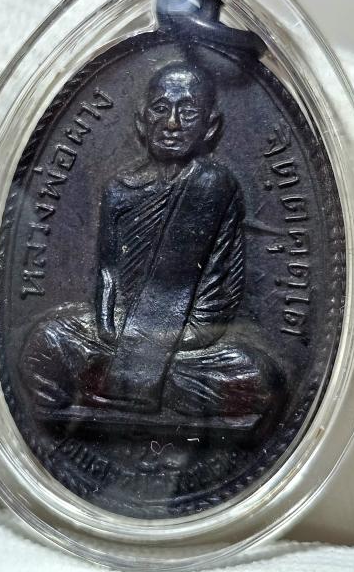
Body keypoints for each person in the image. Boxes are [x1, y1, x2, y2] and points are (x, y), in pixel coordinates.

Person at [20, 61, 284, 422]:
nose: (172, 123)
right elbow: (108, 274)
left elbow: (216, 292)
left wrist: (152, 348)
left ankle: (104, 389)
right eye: (161, 108)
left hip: (187, 341)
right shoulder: (118, 191)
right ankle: (130, 389)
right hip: (117, 335)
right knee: (42, 344)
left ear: (210, 126)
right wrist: (108, 330)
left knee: (258, 378)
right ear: (142, 122)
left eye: (187, 111)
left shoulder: (213, 185)